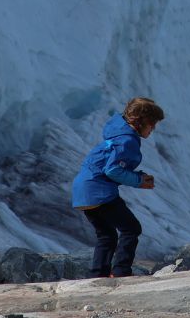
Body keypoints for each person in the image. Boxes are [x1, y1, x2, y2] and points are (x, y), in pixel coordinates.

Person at [70, 96, 165, 279]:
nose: (153, 128)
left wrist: (138, 177)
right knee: (131, 228)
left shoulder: (116, 135)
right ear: (140, 120)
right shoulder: (127, 141)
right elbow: (112, 170)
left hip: (82, 191)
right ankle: (121, 272)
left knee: (106, 236)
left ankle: (98, 275)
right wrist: (138, 180)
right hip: (99, 191)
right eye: (152, 123)